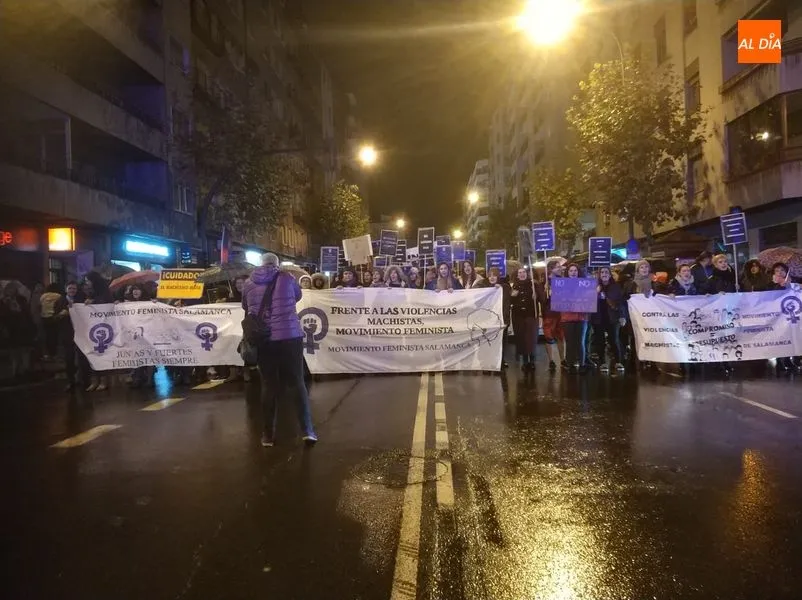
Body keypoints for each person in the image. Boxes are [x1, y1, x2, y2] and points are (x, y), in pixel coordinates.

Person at [242, 253, 317, 447]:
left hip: (264, 340)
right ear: (277, 264)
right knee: (297, 382)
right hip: (289, 337)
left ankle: (267, 436)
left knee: (268, 384)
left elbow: (246, 306)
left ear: (261, 264)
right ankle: (307, 431)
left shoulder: (249, 283)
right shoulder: (287, 278)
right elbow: (298, 295)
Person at [82, 271, 113, 392]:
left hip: (103, 328)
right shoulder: (89, 292)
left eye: (88, 280)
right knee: (92, 355)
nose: (87, 283)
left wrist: (93, 302)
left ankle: (104, 381)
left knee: (102, 355)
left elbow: (106, 304)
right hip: (91, 327)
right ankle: (95, 381)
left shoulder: (104, 292)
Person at [591, 267, 626, 373]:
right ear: (599, 275)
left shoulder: (615, 287)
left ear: (610, 275)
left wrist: (622, 316)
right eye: (602, 272)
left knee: (614, 340)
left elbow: (620, 302)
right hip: (598, 317)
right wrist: (595, 292)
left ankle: (618, 361)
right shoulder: (594, 286)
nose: (604, 274)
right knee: (600, 341)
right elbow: (587, 300)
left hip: (612, 317)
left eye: (606, 272)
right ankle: (602, 362)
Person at [536, 259, 567, 372]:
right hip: (549, 313)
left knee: (561, 336)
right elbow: (541, 300)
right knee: (549, 337)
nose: (560, 269)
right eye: (557, 267)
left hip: (561, 313)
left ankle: (563, 359)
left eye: (560, 267)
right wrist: (545, 293)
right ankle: (551, 361)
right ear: (550, 269)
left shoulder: (563, 280)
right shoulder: (544, 283)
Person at [560, 263, 591, 373]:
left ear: (578, 272)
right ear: (567, 273)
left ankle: (582, 364)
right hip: (567, 317)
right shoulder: (562, 284)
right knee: (570, 342)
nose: (573, 273)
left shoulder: (585, 284)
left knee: (580, 342)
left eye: (575, 271)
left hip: (581, 317)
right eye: (571, 271)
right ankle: (570, 364)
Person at [54, 281, 83, 391]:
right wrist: (60, 315)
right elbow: (53, 319)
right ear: (66, 289)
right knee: (69, 358)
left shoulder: (80, 300)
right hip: (67, 334)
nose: (72, 291)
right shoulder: (59, 301)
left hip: (80, 333)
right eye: (70, 288)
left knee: (81, 357)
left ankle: (81, 379)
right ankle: (71, 381)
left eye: (74, 289)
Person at [510, 267, 537, 370]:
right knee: (522, 339)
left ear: (527, 273)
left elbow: (541, 298)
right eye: (519, 272)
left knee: (531, 338)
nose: (522, 274)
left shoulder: (533, 284)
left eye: (523, 272)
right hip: (518, 317)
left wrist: (536, 295)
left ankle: (532, 360)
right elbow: (511, 302)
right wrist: (512, 296)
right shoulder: (514, 286)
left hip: (530, 315)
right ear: (517, 275)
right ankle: (525, 361)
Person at [487, 267, 510, 369]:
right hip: (490, 321)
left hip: (502, 320)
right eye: (490, 275)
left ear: (498, 276)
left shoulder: (504, 287)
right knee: (490, 341)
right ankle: (490, 361)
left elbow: (506, 304)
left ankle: (501, 360)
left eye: (494, 275)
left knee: (502, 341)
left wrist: (500, 288)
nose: (492, 278)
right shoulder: (485, 289)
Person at [40, 283, 63, 360]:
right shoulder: (58, 296)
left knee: (47, 335)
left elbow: (40, 305)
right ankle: (54, 354)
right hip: (54, 317)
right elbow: (60, 306)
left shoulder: (43, 296)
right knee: (54, 336)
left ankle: (47, 354)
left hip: (44, 317)